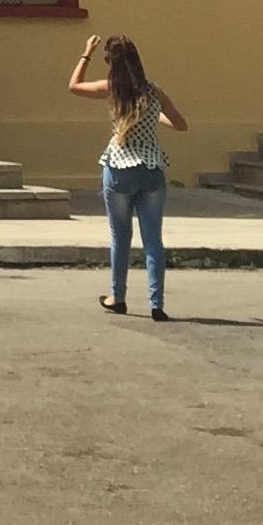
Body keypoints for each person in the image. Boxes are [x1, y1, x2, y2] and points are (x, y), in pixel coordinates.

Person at [68, 33, 188, 321]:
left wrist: (86, 52)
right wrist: (151, 116)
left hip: (119, 168)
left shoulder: (111, 89)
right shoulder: (153, 91)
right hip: (151, 169)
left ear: (111, 62)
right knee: (153, 240)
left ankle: (117, 297)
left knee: (120, 237)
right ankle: (157, 304)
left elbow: (73, 86)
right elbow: (180, 124)